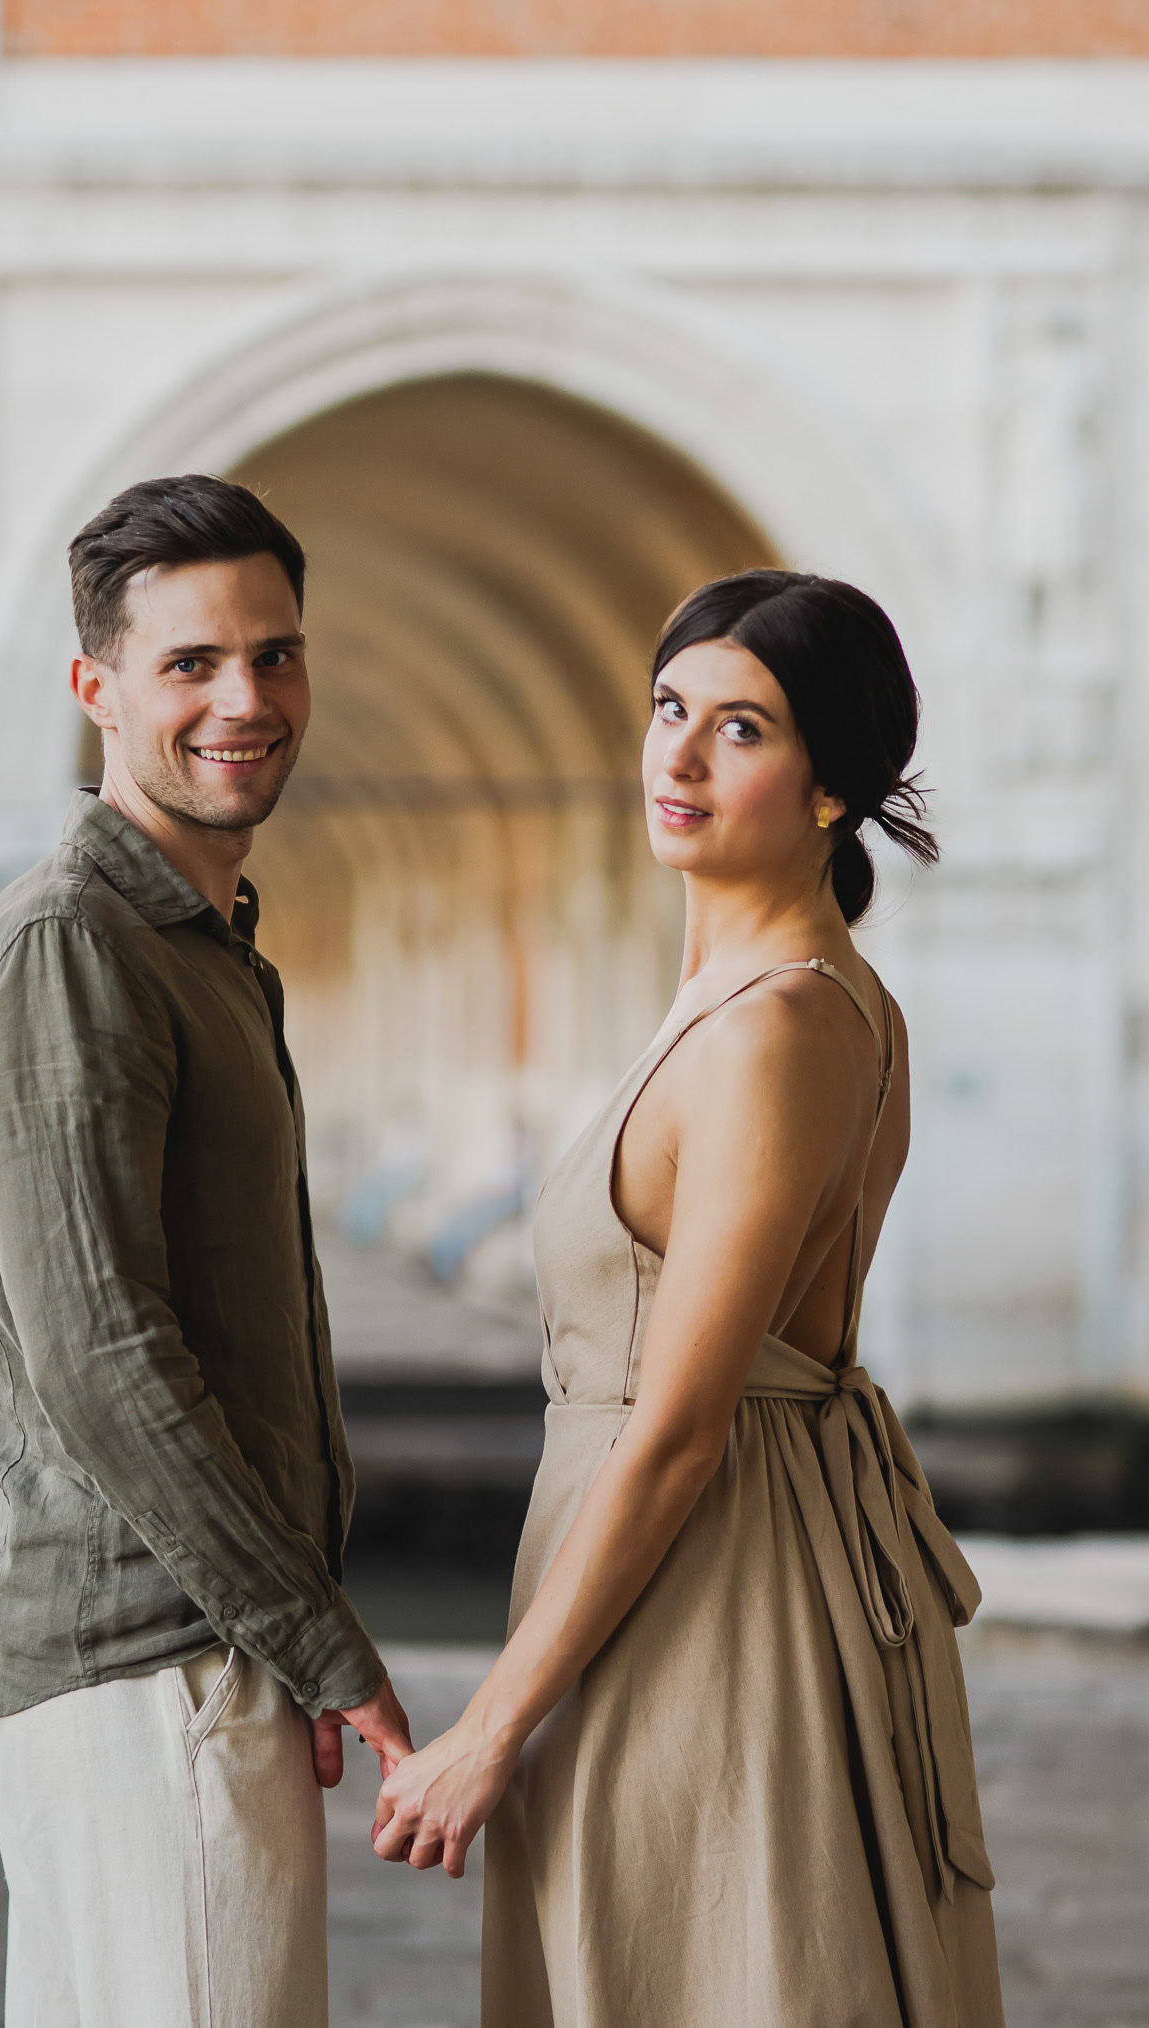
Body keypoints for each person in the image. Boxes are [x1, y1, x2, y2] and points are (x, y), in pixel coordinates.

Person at [372, 570, 1006, 2027]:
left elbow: (682, 1428)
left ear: (830, 786)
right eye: (670, 709)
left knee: (709, 1969)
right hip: (678, 1575)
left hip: (708, 1596)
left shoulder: (779, 1027)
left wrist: (489, 1727)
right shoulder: (778, 998)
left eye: (741, 728)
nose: (679, 755)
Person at [0, 474, 412, 2028]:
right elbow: (105, 1362)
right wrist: (317, 1643)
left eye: (275, 656)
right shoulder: (77, 942)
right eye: (191, 665)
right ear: (96, 688)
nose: (246, 699)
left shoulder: (198, 948)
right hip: (154, 1666)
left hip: (194, 1657)